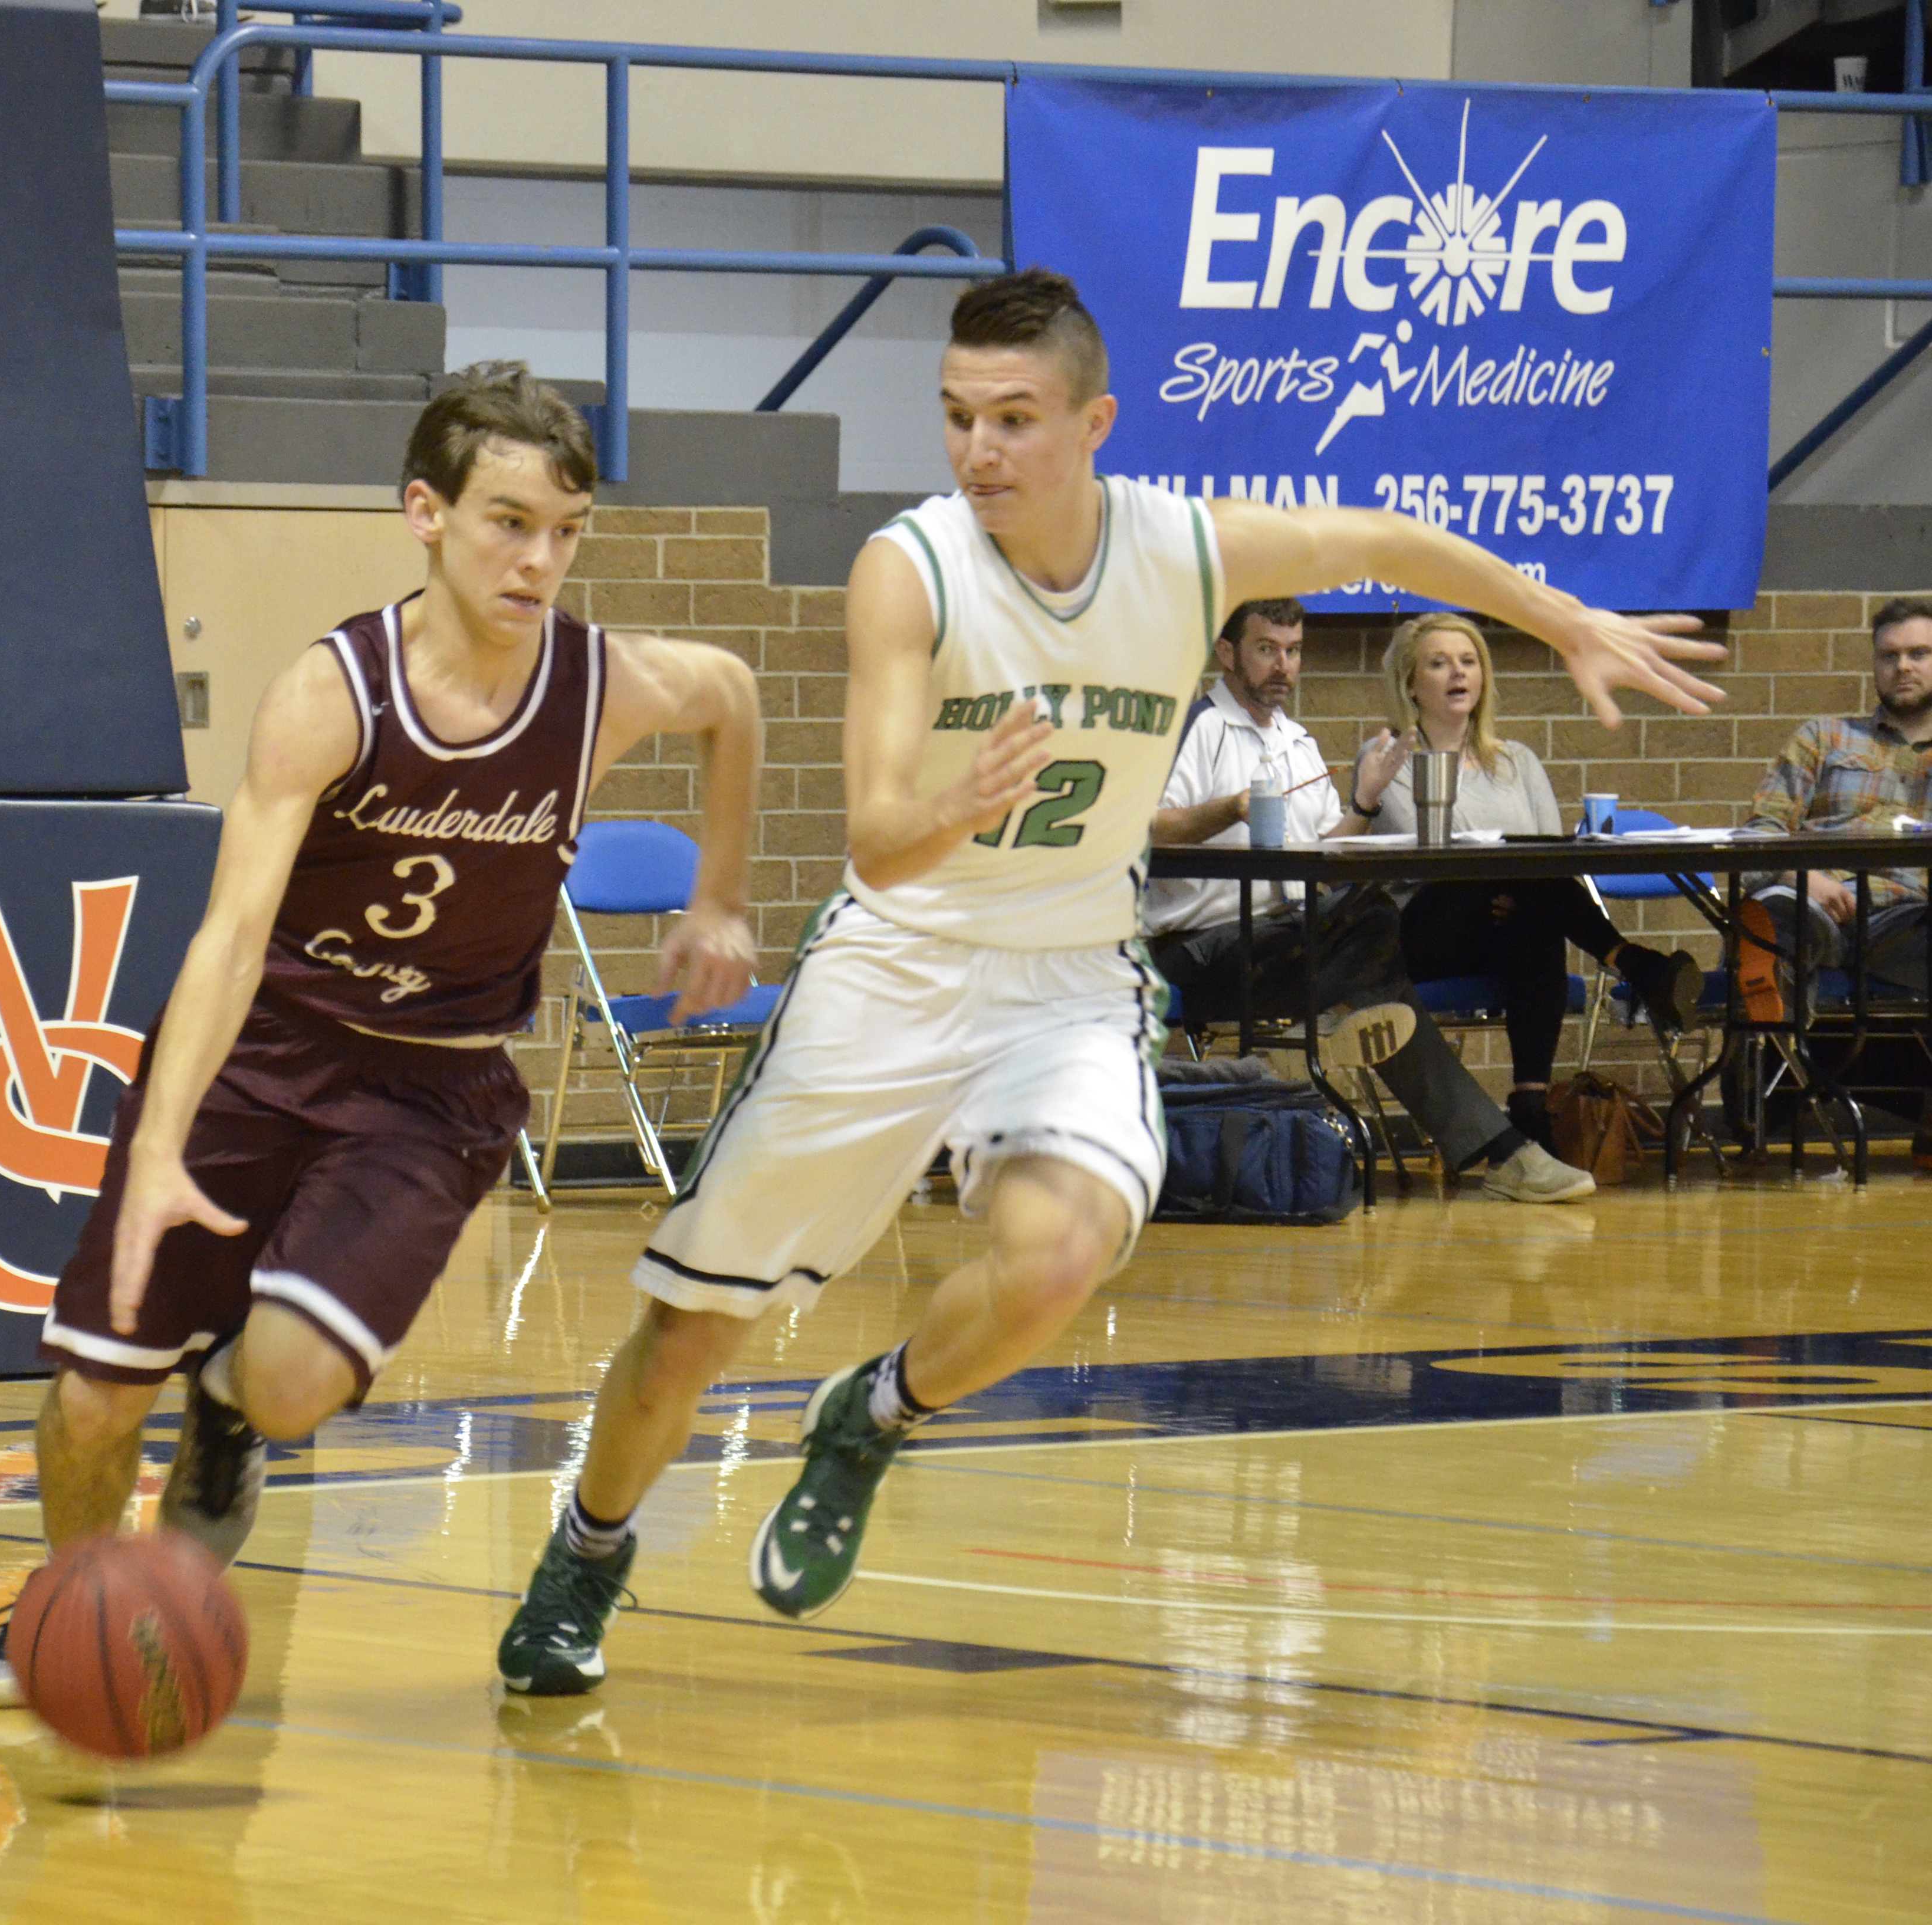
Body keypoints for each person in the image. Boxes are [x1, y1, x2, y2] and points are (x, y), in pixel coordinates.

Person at [492, 268, 1723, 1696]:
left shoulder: (1186, 550)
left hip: (1071, 974)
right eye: (957, 417)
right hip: (896, 967)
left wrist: (1563, 619)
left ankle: (869, 1417)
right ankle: (587, 1549)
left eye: (1014, 418)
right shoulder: (913, 567)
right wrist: (964, 797)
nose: (978, 450)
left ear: (1096, 425)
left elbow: (1392, 535)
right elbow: (878, 848)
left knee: (1064, 1253)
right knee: (696, 1325)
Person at [0, 363, 764, 1708]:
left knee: (281, 1379)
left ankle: (230, 1418)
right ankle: (74, 1618)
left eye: (566, 530)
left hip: (430, 1091)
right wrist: (157, 1148)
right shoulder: (331, 692)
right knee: (97, 1397)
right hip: (259, 1054)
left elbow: (734, 694)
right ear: (425, 513)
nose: (540, 558)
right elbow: (227, 937)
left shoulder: (598, 685)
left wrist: (723, 894)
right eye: (508, 521)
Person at [1144, 599, 1601, 1201]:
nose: (1282, 665)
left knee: (1370, 953)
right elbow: (1147, 826)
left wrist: (1361, 802)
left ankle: (1501, 1151)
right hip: (1202, 952)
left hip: (1289, 942)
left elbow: (1327, 858)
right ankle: (1504, 1150)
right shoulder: (1197, 726)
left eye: (1293, 650)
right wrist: (1227, 809)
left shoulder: (1297, 741)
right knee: (1372, 931)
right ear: (1228, 654)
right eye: (1265, 650)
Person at [1358, 610, 1701, 1145]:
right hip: (1424, 927)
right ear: (1411, 684)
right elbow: (1433, 854)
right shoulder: (1390, 758)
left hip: (1506, 923)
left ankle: (1530, 1107)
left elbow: (1551, 860)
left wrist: (1518, 890)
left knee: (1536, 917)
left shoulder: (1516, 761)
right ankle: (1636, 965)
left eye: (1469, 662)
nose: (1458, 674)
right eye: (1440, 663)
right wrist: (1513, 880)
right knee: (1491, 878)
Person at [1728, 596, 1932, 1023]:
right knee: (1774, 917)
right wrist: (1799, 875)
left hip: (1905, 920)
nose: (1903, 667)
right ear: (1875, 665)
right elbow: (1756, 834)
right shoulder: (1824, 737)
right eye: (1889, 656)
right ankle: (1779, 1058)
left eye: (1919, 654)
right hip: (1814, 900)